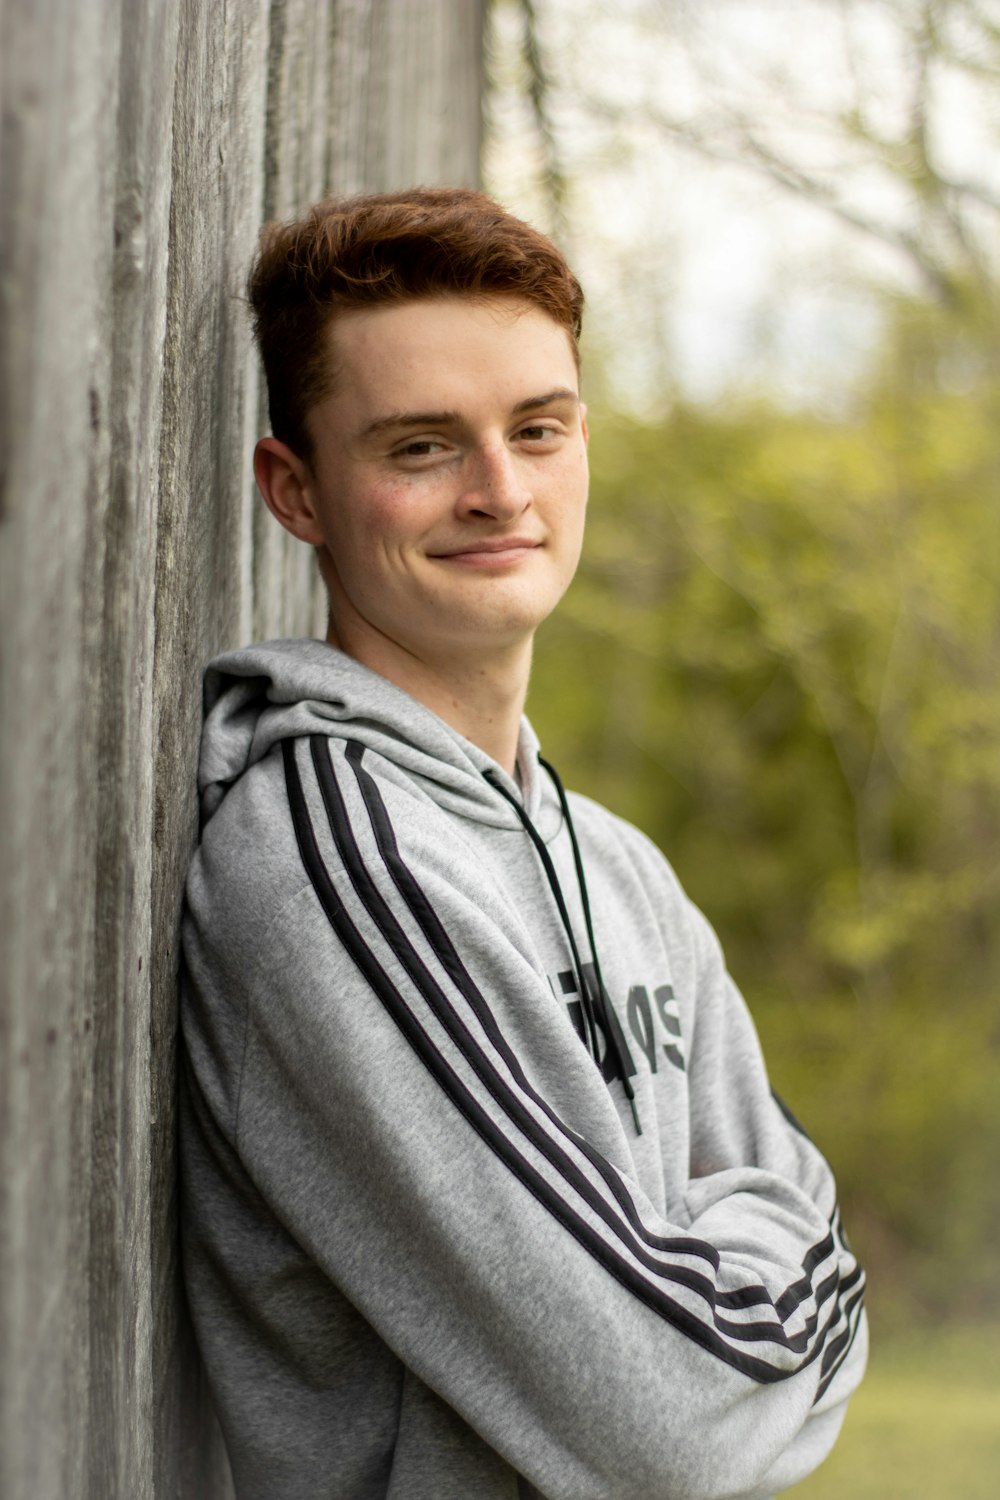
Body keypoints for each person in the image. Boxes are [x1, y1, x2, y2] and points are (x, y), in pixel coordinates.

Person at [180, 187, 867, 1500]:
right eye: (423, 447)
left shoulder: (618, 868)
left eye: (538, 429)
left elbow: (784, 1254)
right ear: (298, 492)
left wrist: (737, 1292)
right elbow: (672, 1423)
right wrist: (780, 1285)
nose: (502, 492)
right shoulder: (337, 870)